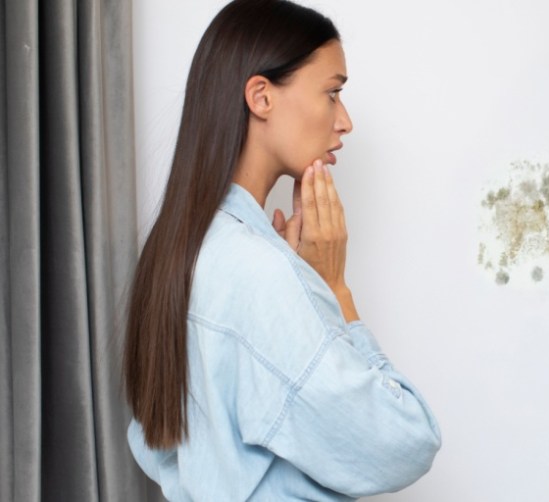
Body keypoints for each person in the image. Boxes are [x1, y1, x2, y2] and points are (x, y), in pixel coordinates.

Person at [122, 0, 441, 500]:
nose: (346, 121)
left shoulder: (174, 250)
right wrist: (334, 290)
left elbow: (155, 445)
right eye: (333, 93)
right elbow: (405, 441)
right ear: (261, 97)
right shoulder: (258, 271)